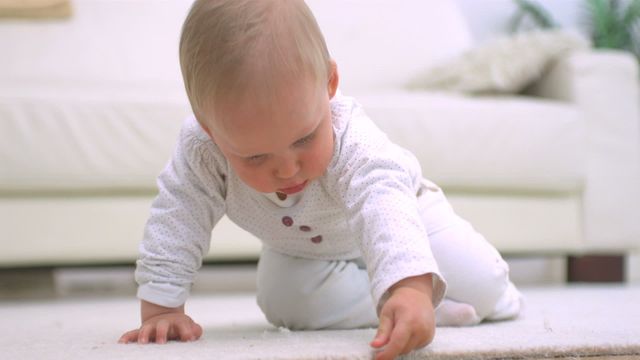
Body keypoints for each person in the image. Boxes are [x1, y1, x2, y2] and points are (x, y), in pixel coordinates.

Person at [118, 1, 523, 359]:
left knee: (484, 284)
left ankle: (416, 299)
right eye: (256, 156)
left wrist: (411, 285)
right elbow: (178, 215)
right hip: (303, 252)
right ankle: (409, 312)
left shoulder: (353, 139)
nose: (287, 169)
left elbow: (383, 205)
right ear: (210, 129)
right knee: (284, 301)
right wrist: (162, 307)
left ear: (329, 85)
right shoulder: (201, 151)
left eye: (304, 139)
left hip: (407, 218)